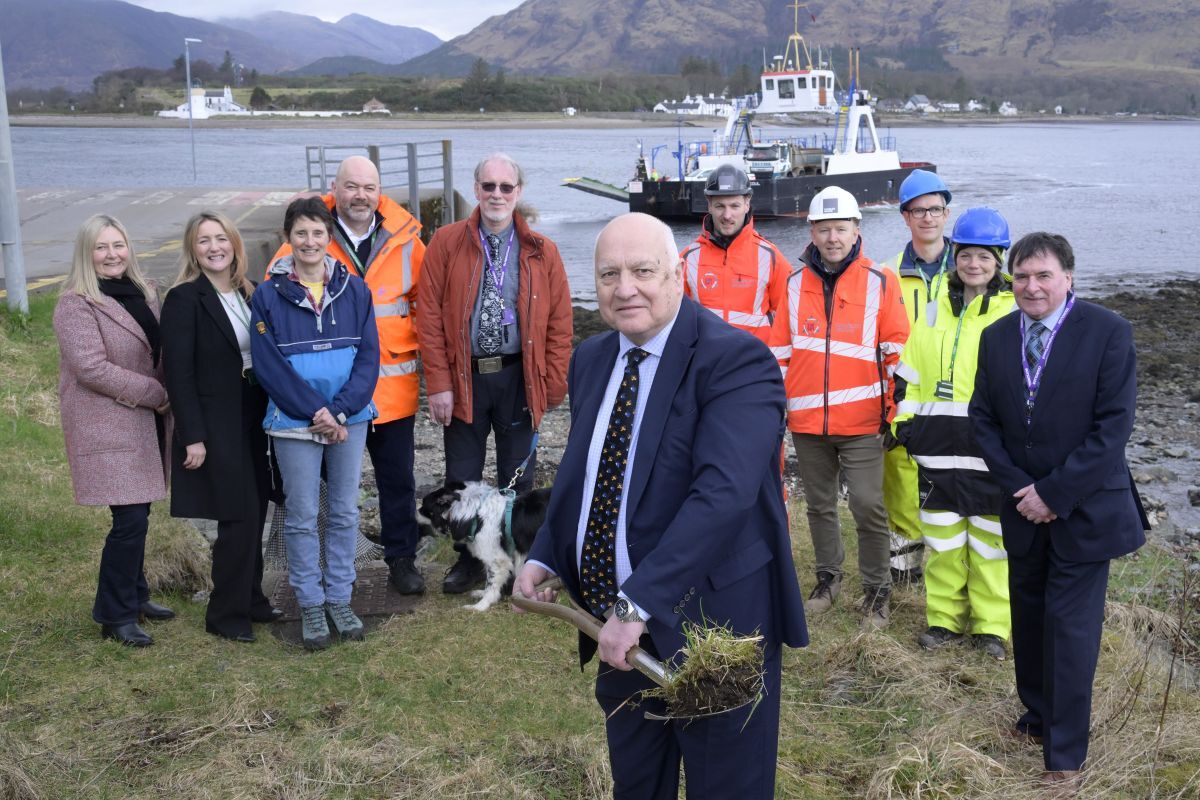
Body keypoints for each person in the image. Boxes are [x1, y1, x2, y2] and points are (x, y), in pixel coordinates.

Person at [515, 212, 807, 799]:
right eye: (609, 274)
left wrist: (639, 603)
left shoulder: (736, 362)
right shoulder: (593, 358)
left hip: (713, 624)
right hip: (618, 627)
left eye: (643, 271)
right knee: (637, 781)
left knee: (725, 784)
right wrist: (546, 551)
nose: (625, 289)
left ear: (678, 274)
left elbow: (720, 498)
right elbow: (585, 472)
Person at [969, 232, 1148, 791]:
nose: (1031, 286)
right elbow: (983, 420)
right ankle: (1038, 714)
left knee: (1070, 630)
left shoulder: (1108, 331)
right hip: (1022, 507)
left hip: (1085, 512)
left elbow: (1112, 428)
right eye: (1021, 276)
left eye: (1043, 275)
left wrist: (1055, 493)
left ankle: (1065, 753)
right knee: (1028, 618)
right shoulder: (996, 336)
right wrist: (1024, 490)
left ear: (1068, 276)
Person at [268, 156, 426, 596]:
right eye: (351, 186)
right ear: (334, 189)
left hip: (390, 387)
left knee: (397, 479)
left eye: (369, 187)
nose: (361, 196)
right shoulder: (311, 231)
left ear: (380, 192)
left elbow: (427, 306)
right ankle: (322, 565)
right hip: (326, 396)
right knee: (321, 486)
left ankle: (401, 558)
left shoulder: (408, 238)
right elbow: (274, 295)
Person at [417, 153, 573, 595]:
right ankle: (469, 562)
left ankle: (522, 563)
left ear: (518, 192)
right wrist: (440, 385)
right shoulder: (446, 243)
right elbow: (427, 317)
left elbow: (561, 323)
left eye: (506, 188)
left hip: (518, 378)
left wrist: (553, 384)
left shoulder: (543, 250)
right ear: (477, 189)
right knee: (461, 478)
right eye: (489, 187)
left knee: (517, 480)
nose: (497, 195)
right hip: (464, 378)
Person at [768, 186, 909, 628]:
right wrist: (777, 410)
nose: (832, 237)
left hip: (864, 421)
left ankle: (876, 593)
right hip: (808, 422)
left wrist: (894, 412)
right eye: (824, 229)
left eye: (840, 229)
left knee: (868, 505)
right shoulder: (793, 285)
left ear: (856, 230)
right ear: (812, 230)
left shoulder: (881, 282)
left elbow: (896, 354)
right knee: (820, 505)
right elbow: (779, 354)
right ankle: (828, 580)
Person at [250, 197, 380, 651]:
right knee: (302, 517)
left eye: (318, 233)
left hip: (349, 419)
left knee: (344, 512)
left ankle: (340, 598)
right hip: (292, 421)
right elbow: (269, 368)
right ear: (289, 237)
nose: (309, 241)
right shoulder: (268, 295)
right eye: (301, 233)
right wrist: (316, 414)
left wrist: (339, 412)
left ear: (330, 237)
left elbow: (369, 359)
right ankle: (310, 602)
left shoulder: (356, 290)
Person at [891, 208, 1015, 660]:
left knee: (990, 546)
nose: (974, 264)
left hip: (990, 455)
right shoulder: (933, 308)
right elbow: (909, 375)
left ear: (999, 260)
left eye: (985, 256)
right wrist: (905, 425)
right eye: (966, 255)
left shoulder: (1013, 312)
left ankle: (991, 628)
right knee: (943, 542)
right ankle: (943, 621)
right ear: (955, 257)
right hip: (937, 451)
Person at [54, 214, 175, 647]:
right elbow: (89, 368)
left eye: (118, 245)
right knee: (130, 518)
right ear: (87, 255)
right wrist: (154, 392)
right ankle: (114, 614)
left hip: (143, 420)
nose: (112, 255)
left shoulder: (144, 293)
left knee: (137, 512)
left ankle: (136, 596)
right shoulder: (76, 303)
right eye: (101, 248)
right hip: (107, 420)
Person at [161, 211, 280, 644]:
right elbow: (179, 372)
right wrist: (192, 434)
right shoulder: (184, 298)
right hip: (215, 422)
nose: (214, 247)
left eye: (220, 239)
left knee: (259, 509)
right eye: (203, 241)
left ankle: (252, 599)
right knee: (238, 516)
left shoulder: (247, 292)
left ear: (234, 243)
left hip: (253, 416)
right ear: (193, 250)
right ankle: (225, 614)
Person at [882, 169, 955, 586]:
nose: (928, 217)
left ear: (946, 213)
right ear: (905, 217)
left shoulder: (969, 267)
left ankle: (950, 567)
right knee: (900, 479)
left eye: (935, 209)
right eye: (918, 210)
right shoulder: (887, 273)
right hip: (903, 394)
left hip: (957, 394)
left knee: (955, 480)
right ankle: (905, 568)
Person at [680, 163, 790, 343]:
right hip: (705, 365)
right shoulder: (687, 259)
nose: (727, 215)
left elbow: (787, 321)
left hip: (753, 364)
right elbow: (672, 318)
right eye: (720, 206)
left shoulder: (771, 258)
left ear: (747, 204)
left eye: (735, 206)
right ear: (709, 205)